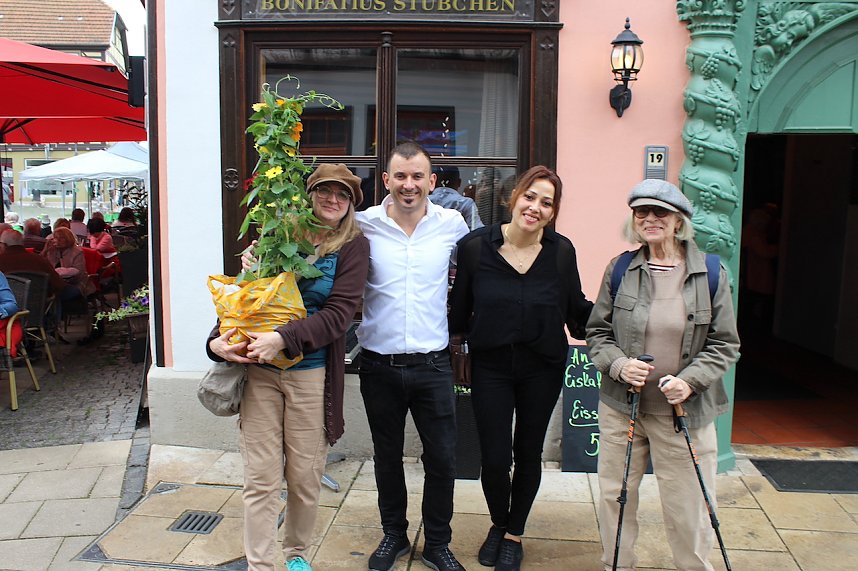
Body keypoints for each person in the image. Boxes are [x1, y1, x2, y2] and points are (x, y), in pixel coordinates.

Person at [208, 163, 370, 571]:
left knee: (303, 477)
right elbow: (247, 299)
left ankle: (295, 554)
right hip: (261, 375)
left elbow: (339, 315)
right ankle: (259, 565)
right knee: (260, 479)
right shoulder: (277, 236)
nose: (333, 200)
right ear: (309, 194)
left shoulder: (353, 246)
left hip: (311, 375)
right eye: (325, 191)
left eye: (343, 194)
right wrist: (215, 343)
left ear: (352, 203)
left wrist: (283, 338)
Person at [585, 179, 740, 571]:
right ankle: (616, 565)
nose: (650, 219)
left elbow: (726, 343)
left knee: (689, 505)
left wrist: (690, 380)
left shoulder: (711, 272)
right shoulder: (620, 268)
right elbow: (597, 332)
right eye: (642, 212)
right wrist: (619, 365)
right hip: (624, 409)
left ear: (678, 221)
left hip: (684, 414)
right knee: (614, 498)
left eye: (660, 212)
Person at [447, 166, 592, 571]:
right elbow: (458, 311)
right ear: (514, 197)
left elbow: (576, 310)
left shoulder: (562, 252)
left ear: (553, 211)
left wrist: (621, 314)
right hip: (490, 366)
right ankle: (498, 521)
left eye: (547, 202)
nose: (536, 207)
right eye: (531, 197)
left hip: (542, 368)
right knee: (493, 456)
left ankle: (513, 533)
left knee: (527, 452)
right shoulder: (476, 247)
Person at [356, 141, 470, 571]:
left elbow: (486, 263)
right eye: (400, 176)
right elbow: (320, 251)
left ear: (431, 182)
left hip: (433, 365)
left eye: (417, 176)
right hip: (378, 364)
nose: (409, 185)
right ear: (385, 180)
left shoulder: (452, 224)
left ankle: (438, 542)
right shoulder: (363, 224)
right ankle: (394, 535)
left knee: (442, 457)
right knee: (386, 455)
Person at [41, 227, 95, 300]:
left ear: (68, 239)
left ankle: (58, 310)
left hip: (76, 283)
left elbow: (79, 274)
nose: (57, 240)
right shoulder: (52, 250)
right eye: (55, 238)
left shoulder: (77, 252)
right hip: (56, 283)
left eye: (61, 238)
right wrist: (45, 250)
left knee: (59, 294)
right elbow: (40, 264)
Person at [429, 166, 483, 230]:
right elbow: (477, 230)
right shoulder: (466, 204)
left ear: (432, 181)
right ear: (459, 182)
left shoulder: (424, 202)